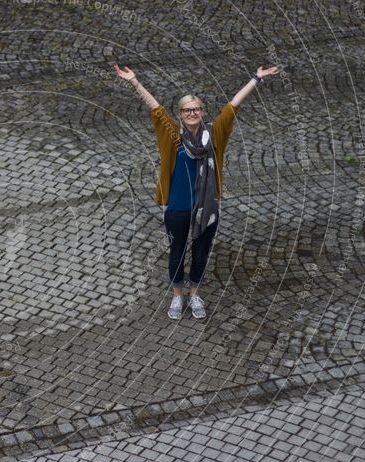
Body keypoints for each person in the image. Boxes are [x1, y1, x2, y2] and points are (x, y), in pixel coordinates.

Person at [115, 63, 279, 319]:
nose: (192, 113)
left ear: (202, 112)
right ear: (180, 114)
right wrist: (135, 82)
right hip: (179, 207)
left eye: (196, 109)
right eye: (186, 110)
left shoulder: (214, 135)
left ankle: (195, 295)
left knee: (201, 252)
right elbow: (156, 109)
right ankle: (178, 296)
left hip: (207, 208)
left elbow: (232, 107)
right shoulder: (173, 136)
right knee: (177, 252)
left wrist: (256, 79)